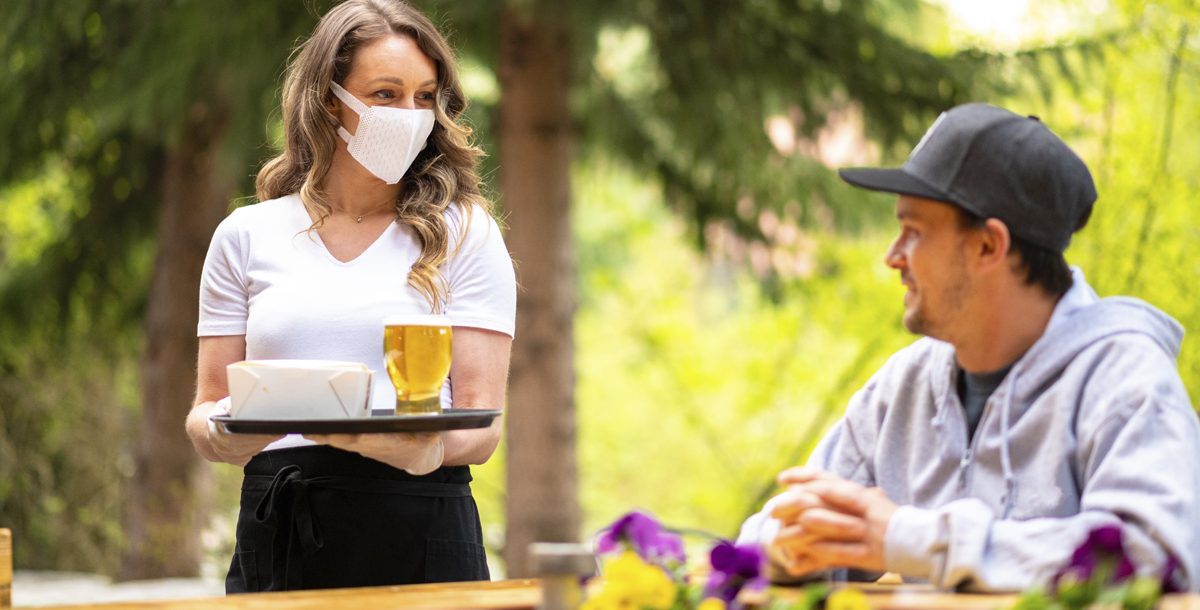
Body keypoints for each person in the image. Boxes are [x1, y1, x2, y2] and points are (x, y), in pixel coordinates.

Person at [737, 103, 1200, 592]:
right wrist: (791, 546)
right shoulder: (903, 388)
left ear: (988, 246)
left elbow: (1152, 553)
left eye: (913, 233)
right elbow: (768, 534)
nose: (892, 257)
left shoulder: (1126, 378)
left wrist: (914, 539)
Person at [183, 0, 516, 593]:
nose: (410, 114)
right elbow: (208, 408)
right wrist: (229, 433)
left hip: (421, 525)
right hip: (279, 526)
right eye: (386, 94)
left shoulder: (464, 231)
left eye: (424, 96)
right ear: (329, 97)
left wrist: (419, 452)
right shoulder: (247, 234)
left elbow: (482, 425)